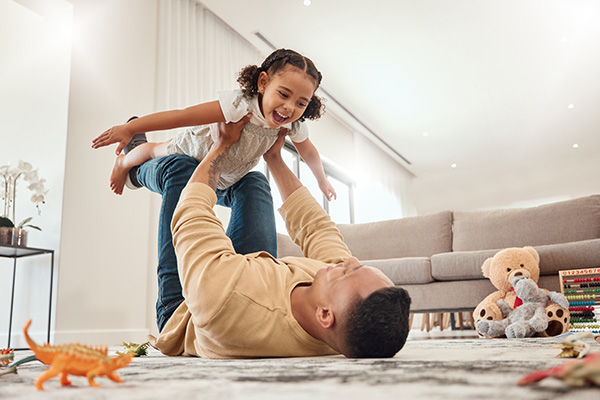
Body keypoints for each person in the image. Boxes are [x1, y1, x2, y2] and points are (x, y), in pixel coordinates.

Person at [148, 116, 411, 359]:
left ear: (325, 315)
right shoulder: (337, 315)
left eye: (347, 273)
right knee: (254, 182)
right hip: (247, 275)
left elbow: (191, 215)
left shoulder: (224, 299)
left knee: (181, 170)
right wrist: (274, 157)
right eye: (358, 266)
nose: (350, 261)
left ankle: (133, 170)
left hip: (186, 310)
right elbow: (317, 228)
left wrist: (221, 145)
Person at [91, 48, 337, 201]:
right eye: (283, 94)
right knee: (155, 150)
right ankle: (124, 161)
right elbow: (183, 116)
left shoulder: (291, 125)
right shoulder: (240, 105)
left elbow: (309, 152)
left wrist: (321, 180)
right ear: (263, 83)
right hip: (195, 149)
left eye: (301, 103)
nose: (290, 108)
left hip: (223, 173)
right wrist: (130, 129)